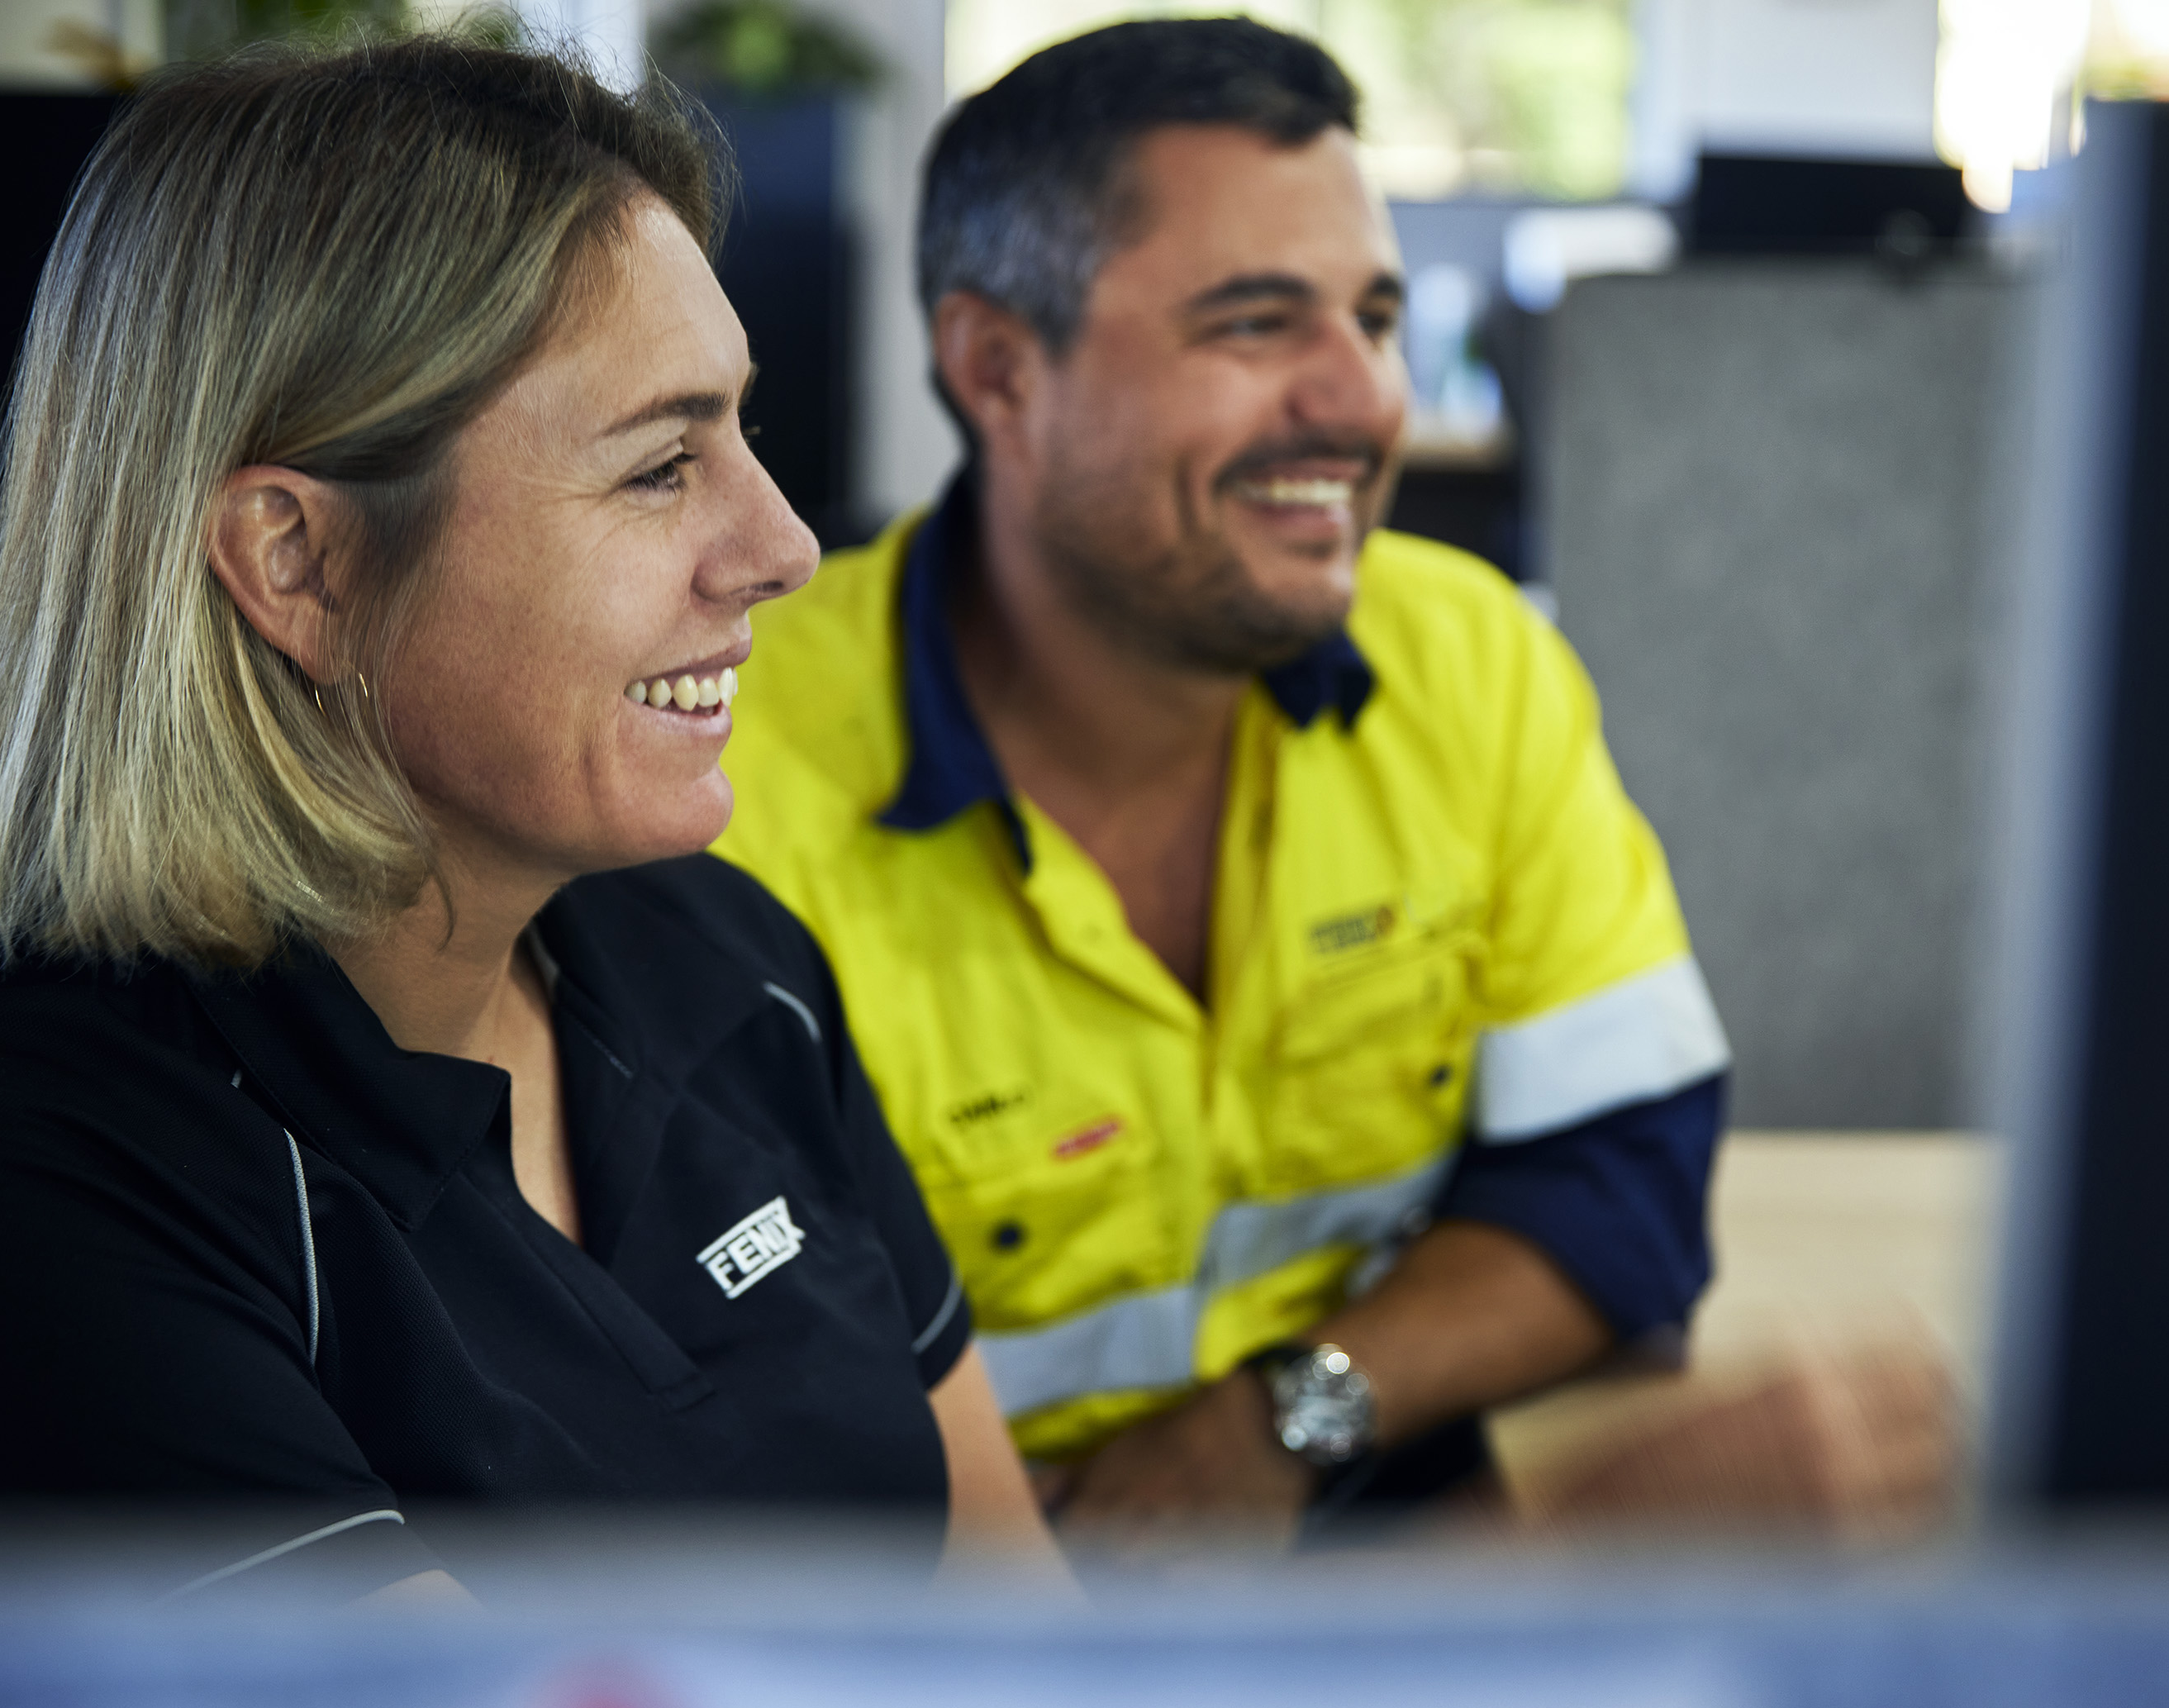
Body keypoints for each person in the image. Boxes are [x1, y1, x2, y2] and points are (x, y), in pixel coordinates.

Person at [711, 18, 1947, 1551]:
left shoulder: (1464, 658)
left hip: (1353, 1507)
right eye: (1254, 323)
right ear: (998, 368)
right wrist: (1547, 1548)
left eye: (1373, 317)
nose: (1359, 399)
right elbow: (740, 1450)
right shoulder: (723, 787)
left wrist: (1280, 1420)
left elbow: (1616, 1178)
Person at [0, 37, 1061, 1603]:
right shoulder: (42, 1182)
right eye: (661, 466)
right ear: (298, 563)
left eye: (743, 434)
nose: (784, 545)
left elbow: (1019, 1634)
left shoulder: (728, 959)